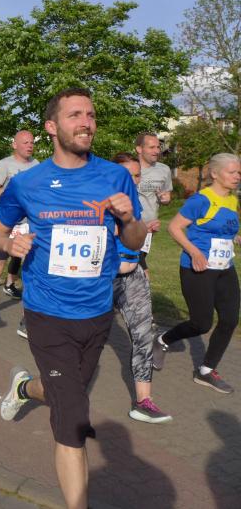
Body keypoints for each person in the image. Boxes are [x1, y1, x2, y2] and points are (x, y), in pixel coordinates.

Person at [0, 88, 145, 509]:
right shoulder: (27, 183)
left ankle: (25, 388)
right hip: (47, 314)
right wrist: (9, 245)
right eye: (75, 114)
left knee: (67, 391)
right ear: (51, 126)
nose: (86, 122)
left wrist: (129, 218)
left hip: (97, 312)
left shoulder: (114, 177)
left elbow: (134, 240)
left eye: (91, 115)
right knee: (74, 419)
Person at [153, 153, 240, 394]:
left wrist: (235, 237)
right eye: (232, 172)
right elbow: (174, 227)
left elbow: (222, 229)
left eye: (239, 172)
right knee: (201, 323)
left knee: (230, 319)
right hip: (198, 267)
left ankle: (206, 370)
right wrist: (194, 252)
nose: (237, 176)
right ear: (215, 173)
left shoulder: (232, 200)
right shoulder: (201, 200)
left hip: (224, 268)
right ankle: (162, 341)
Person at [110, 153, 171, 423]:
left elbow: (134, 238)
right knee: (87, 337)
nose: (136, 180)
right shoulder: (98, 199)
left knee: (144, 335)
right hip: (101, 278)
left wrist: (143, 232)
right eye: (130, 175)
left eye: (138, 175)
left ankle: (143, 402)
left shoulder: (133, 201)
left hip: (132, 274)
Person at [0, 130, 39, 328]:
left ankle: (27, 317)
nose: (29, 145)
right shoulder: (4, 165)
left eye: (32, 142)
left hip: (27, 225)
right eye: (25, 142)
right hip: (4, 226)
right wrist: (13, 189)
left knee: (31, 271)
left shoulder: (37, 165)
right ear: (15, 145)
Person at [135, 132, 172, 277]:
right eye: (152, 147)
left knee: (136, 264)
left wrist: (166, 199)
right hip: (130, 226)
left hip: (150, 228)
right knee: (139, 267)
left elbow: (166, 195)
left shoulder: (164, 170)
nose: (157, 151)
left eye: (158, 147)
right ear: (139, 149)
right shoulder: (129, 168)